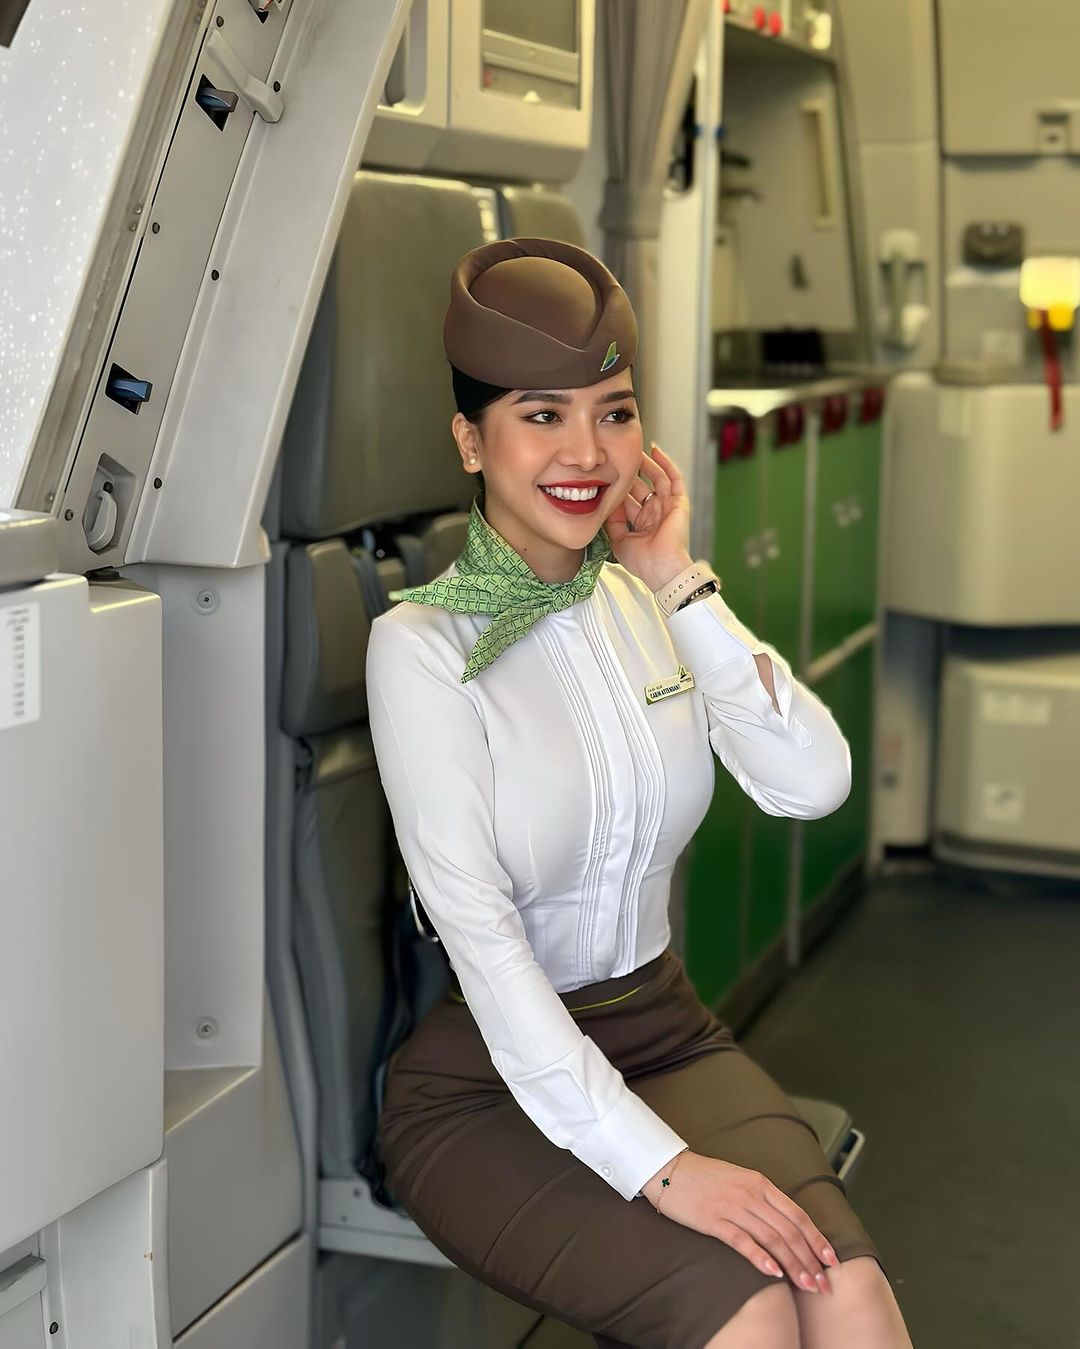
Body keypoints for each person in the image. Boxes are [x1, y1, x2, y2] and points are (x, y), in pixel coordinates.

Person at [365, 237, 913, 1349]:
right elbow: (487, 946)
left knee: (846, 1293)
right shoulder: (420, 647)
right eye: (542, 416)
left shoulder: (643, 603)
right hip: (490, 1079)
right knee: (752, 1310)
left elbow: (814, 783)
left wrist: (676, 579)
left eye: (613, 414)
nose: (587, 453)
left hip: (669, 1034)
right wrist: (663, 1168)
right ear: (470, 439)